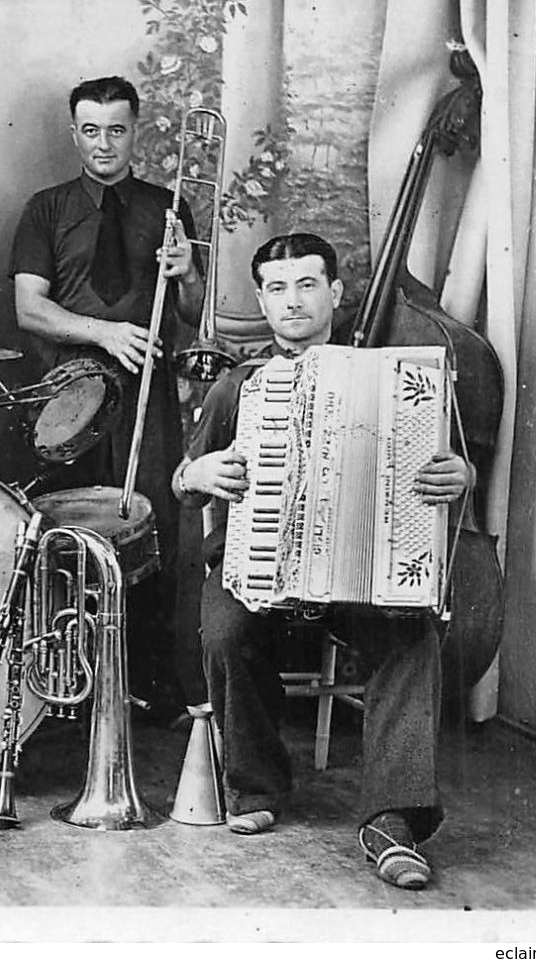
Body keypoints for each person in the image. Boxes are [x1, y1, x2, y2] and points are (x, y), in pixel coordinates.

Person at [173, 232, 471, 890]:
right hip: (253, 565)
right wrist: (199, 469)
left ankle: (390, 818)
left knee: (411, 633)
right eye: (276, 288)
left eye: (306, 284)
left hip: (355, 572)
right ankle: (256, 786)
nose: (292, 301)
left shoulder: (392, 380)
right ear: (260, 299)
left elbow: (439, 465)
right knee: (225, 630)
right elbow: (179, 479)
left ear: (333, 292)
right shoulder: (236, 385)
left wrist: (460, 472)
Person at [9, 75, 205, 716]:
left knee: (151, 530)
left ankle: (147, 690)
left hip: (147, 391)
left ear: (135, 131)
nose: (103, 144)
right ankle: (63, 690)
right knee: (65, 534)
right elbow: (30, 310)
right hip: (69, 394)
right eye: (90, 130)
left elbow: (193, 313)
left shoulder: (169, 208)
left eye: (116, 130)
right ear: (74, 132)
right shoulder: (47, 208)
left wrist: (188, 274)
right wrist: (106, 333)